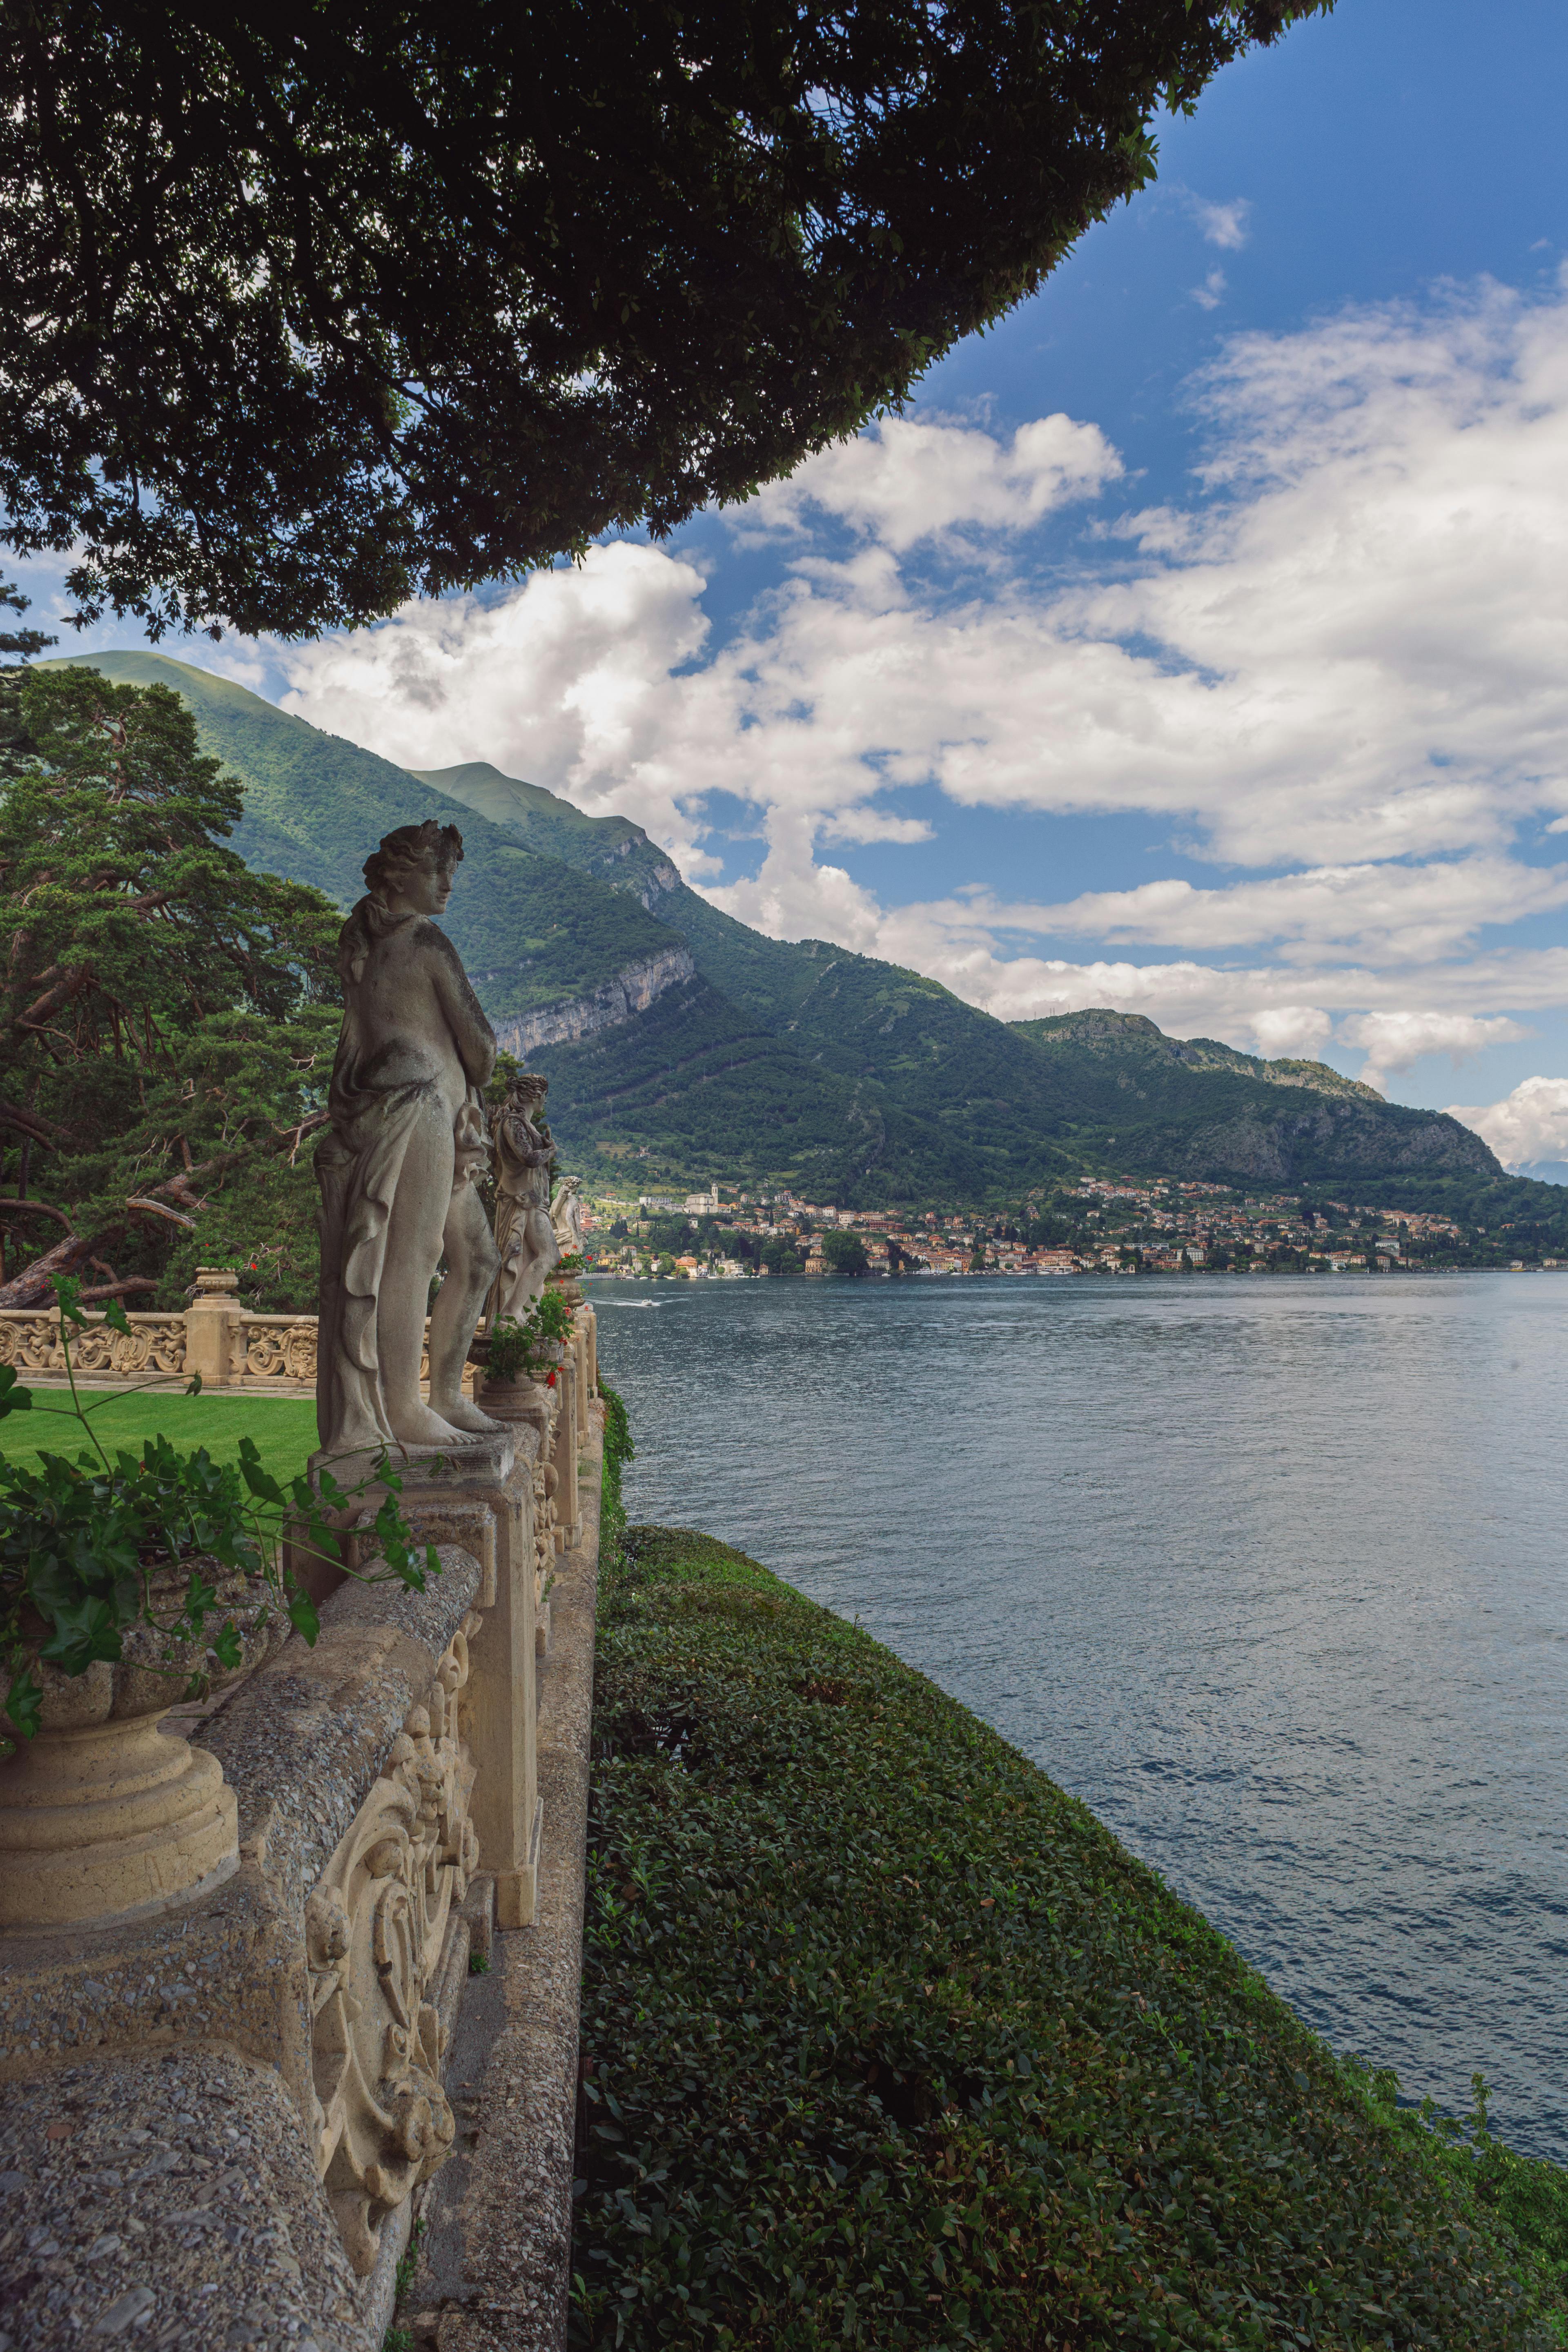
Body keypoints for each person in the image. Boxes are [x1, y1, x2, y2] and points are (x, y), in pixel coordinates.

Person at [316, 820, 503, 1453]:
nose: (448, 884)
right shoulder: (425, 941)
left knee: (477, 1257)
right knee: (413, 1258)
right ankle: (402, 1406)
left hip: (421, 1111)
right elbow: (483, 1053)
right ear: (401, 875)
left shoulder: (360, 939)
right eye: (438, 870)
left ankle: (444, 1395)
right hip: (420, 1107)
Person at [486, 1067, 560, 1323]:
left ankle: (522, 1311)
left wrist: (544, 1144)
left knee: (542, 1256)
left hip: (532, 1200)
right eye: (545, 1096)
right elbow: (528, 1158)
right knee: (550, 1255)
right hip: (523, 1199)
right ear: (536, 1095)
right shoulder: (513, 1123)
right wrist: (551, 1151)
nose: (546, 1102)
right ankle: (512, 1310)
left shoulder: (524, 1124)